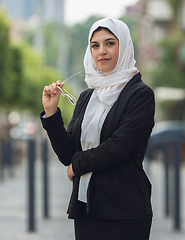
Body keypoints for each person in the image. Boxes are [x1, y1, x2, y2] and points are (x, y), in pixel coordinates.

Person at [40, 18, 155, 240]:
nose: (101, 51)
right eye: (95, 45)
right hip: (87, 208)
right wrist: (52, 114)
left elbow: (118, 147)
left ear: (124, 46)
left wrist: (78, 166)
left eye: (110, 43)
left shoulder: (140, 95)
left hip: (125, 211)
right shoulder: (87, 97)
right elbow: (67, 154)